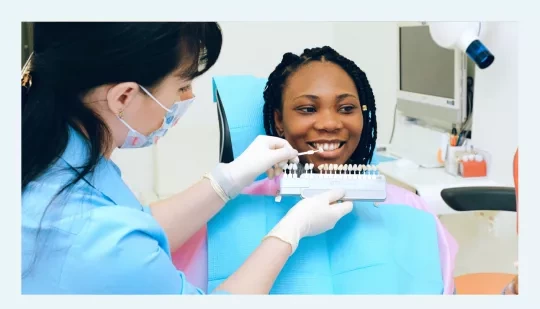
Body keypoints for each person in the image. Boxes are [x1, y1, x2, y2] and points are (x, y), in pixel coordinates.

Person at [21, 22, 354, 295]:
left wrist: (228, 180)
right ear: (124, 95)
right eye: (182, 86)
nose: (189, 97)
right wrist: (289, 233)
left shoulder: (54, 156)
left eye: (347, 107)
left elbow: (138, 226)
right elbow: (117, 247)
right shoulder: (93, 236)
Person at [171, 46, 458, 294]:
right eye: (308, 109)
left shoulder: (412, 211)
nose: (330, 123)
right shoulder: (226, 215)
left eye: (346, 108)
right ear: (278, 120)